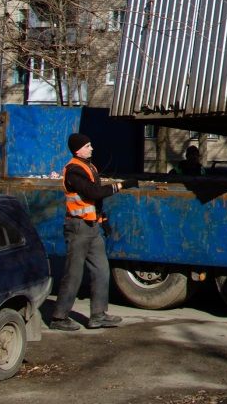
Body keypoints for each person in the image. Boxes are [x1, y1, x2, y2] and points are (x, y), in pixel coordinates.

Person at [48, 132, 136, 331]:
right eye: (88, 146)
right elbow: (93, 192)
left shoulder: (90, 167)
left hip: (92, 227)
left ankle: (98, 315)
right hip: (78, 228)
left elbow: (95, 200)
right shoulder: (73, 170)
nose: (92, 148)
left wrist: (102, 219)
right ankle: (59, 317)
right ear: (78, 149)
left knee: (101, 270)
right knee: (73, 274)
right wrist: (120, 185)